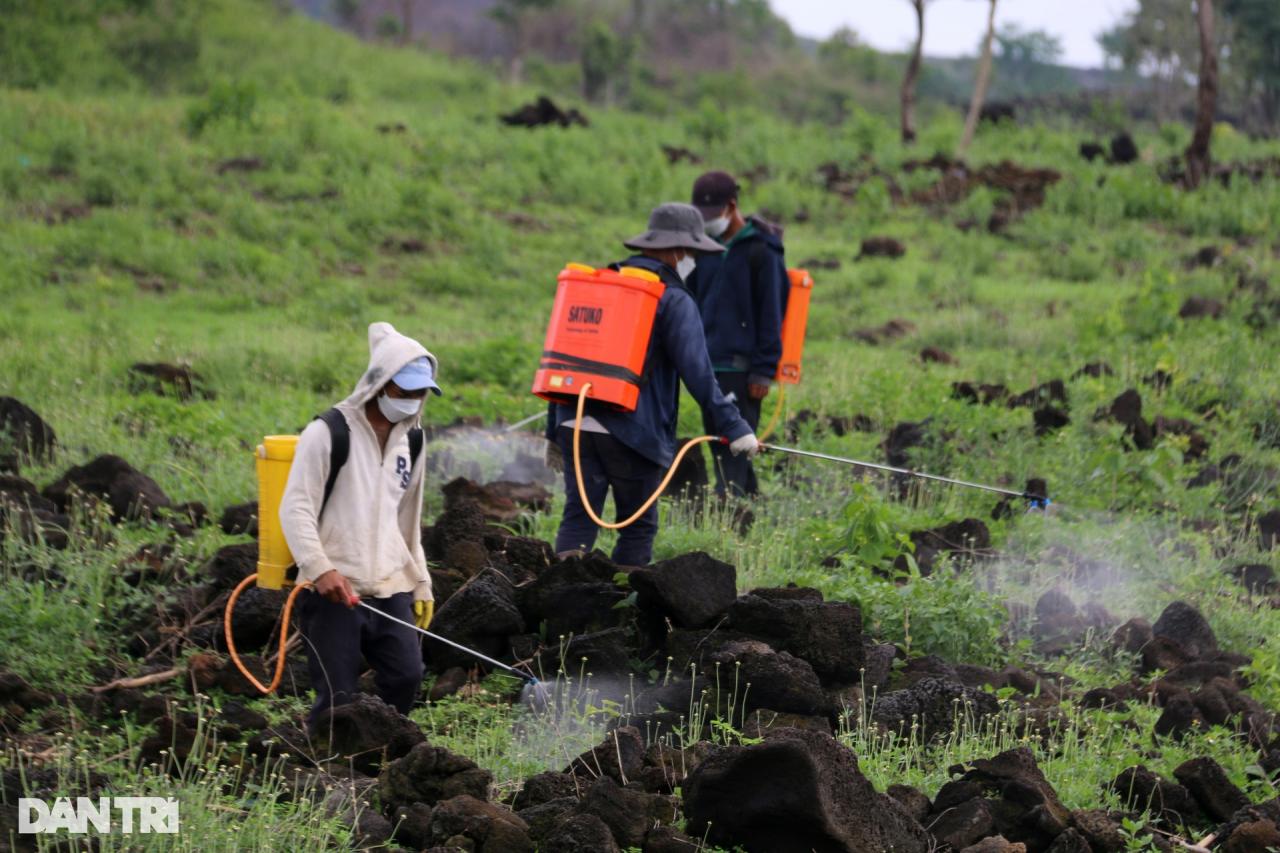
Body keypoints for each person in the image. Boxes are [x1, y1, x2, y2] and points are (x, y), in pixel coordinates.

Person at [547, 203, 759, 566]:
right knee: (638, 526)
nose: (692, 260)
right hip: (631, 431)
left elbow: (567, 353)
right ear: (678, 251)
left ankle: (561, 607)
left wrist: (555, 429)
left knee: (578, 518)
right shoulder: (673, 299)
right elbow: (698, 372)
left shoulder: (599, 285)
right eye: (691, 252)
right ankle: (624, 610)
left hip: (574, 420)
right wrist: (736, 427)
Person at [280, 322, 441, 731]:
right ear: (380, 384)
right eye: (404, 390)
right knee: (337, 696)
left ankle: (379, 753)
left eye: (420, 392)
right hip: (334, 590)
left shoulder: (414, 442)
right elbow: (295, 507)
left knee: (406, 677)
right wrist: (320, 569)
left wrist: (420, 581)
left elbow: (408, 519)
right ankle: (324, 770)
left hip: (391, 586)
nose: (412, 400)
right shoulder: (328, 433)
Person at [688, 170, 787, 499]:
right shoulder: (704, 249)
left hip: (742, 369)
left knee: (733, 444)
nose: (707, 222)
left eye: (712, 215)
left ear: (731, 206)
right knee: (719, 441)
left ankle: (728, 508)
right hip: (707, 364)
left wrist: (763, 369)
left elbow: (773, 313)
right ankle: (752, 503)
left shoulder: (762, 251)